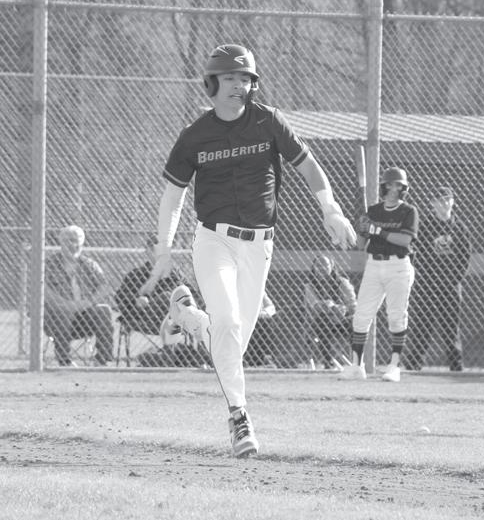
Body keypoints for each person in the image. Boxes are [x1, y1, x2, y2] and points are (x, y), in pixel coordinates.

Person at [140, 43, 356, 458]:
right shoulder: (195, 135)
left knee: (231, 345)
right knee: (227, 322)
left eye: (245, 78)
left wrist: (331, 209)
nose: (239, 85)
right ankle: (239, 418)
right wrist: (164, 249)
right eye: (230, 77)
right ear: (211, 83)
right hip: (214, 241)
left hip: (259, 245)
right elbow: (173, 196)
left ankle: (188, 318)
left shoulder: (268, 120)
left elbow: (308, 166)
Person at [340, 167, 419, 383]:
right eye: (390, 185)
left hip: (399, 266)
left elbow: (405, 240)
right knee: (361, 316)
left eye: (398, 185)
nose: (393, 189)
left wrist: (378, 231)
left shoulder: (408, 211)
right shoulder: (373, 211)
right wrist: (362, 229)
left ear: (404, 188)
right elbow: (361, 244)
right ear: (384, 187)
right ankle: (356, 366)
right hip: (374, 265)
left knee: (396, 316)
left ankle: (394, 367)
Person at [405, 186, 471, 371]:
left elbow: (465, 257)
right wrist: (426, 278)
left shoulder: (460, 228)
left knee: (451, 327)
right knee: (423, 324)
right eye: (439, 200)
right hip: (427, 285)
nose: (444, 203)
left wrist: (453, 280)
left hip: (451, 286)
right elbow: (415, 253)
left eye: (447, 199)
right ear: (432, 204)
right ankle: (414, 364)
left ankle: (456, 365)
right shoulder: (424, 227)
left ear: (453, 202)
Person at [44, 225, 113, 367]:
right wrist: (65, 304)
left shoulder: (89, 265)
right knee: (62, 313)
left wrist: (88, 302)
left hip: (84, 316)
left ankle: (102, 360)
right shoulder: (49, 264)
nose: (73, 245)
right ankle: (65, 361)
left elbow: (105, 288)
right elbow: (42, 289)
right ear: (61, 242)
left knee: (104, 310)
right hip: (56, 316)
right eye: (68, 240)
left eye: (76, 241)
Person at [115, 234, 182, 337]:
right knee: (167, 297)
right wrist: (135, 301)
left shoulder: (174, 275)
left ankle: (171, 345)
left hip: (169, 315)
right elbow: (120, 297)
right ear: (148, 251)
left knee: (168, 297)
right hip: (143, 318)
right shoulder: (136, 274)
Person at [305, 255, 356, 369]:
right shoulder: (310, 286)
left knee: (355, 322)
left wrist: (344, 309)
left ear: (332, 267)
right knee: (321, 320)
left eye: (325, 265)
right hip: (322, 321)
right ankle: (329, 363)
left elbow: (352, 304)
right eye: (318, 266)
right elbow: (315, 305)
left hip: (343, 319)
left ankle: (357, 362)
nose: (322, 268)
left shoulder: (342, 282)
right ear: (314, 268)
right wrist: (330, 307)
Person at [243, 292, 279, 367]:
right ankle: (244, 361)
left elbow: (271, 308)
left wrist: (263, 313)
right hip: (244, 320)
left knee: (265, 323)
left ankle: (267, 358)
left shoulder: (260, 290)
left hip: (260, 320)